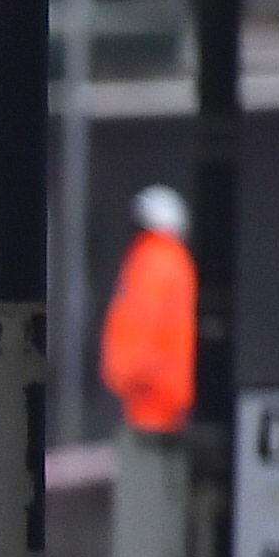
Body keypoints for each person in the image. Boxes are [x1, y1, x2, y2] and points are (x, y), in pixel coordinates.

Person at [99, 182, 193, 439]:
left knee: (146, 472)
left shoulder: (150, 263)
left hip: (148, 398)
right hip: (166, 396)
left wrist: (128, 375)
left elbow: (143, 324)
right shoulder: (176, 261)